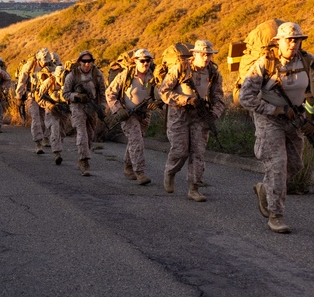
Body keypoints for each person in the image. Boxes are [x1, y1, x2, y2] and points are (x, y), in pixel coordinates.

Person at [238, 23, 313, 232]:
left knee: (295, 164)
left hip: (295, 119)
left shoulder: (307, 61)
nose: (292, 43)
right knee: (278, 166)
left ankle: (265, 188)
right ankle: (275, 215)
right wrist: (275, 110)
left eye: (296, 39)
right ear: (278, 42)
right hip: (269, 120)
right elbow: (246, 98)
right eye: (288, 39)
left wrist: (309, 117)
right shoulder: (265, 64)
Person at [159, 40, 226, 203]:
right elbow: (164, 92)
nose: (206, 57)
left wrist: (214, 114)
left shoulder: (213, 73)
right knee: (180, 150)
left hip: (200, 116)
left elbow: (219, 97)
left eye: (209, 54)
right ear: (194, 54)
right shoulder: (180, 69)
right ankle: (170, 171)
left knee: (198, 152)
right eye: (203, 54)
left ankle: (194, 188)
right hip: (179, 114)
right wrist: (185, 100)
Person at [105, 49, 160, 185]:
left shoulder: (152, 76)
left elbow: (159, 93)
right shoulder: (126, 76)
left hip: (145, 114)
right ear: (135, 61)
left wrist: (157, 102)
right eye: (142, 60)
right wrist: (118, 109)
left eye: (148, 60)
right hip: (128, 114)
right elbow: (110, 93)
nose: (146, 63)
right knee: (137, 141)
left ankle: (128, 167)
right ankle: (140, 172)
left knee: (136, 140)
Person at [62, 50, 105, 175]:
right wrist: (77, 96)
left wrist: (102, 106)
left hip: (92, 107)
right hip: (77, 107)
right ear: (79, 62)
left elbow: (102, 93)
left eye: (89, 61)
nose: (87, 64)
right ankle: (84, 160)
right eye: (84, 61)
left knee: (90, 135)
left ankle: (85, 153)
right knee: (82, 133)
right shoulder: (72, 76)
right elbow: (65, 94)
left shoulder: (97, 75)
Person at [36, 62, 68, 165]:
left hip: (63, 110)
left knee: (62, 132)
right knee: (54, 129)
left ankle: (58, 148)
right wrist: (50, 105)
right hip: (51, 110)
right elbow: (39, 98)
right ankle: (57, 153)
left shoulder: (69, 81)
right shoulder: (48, 82)